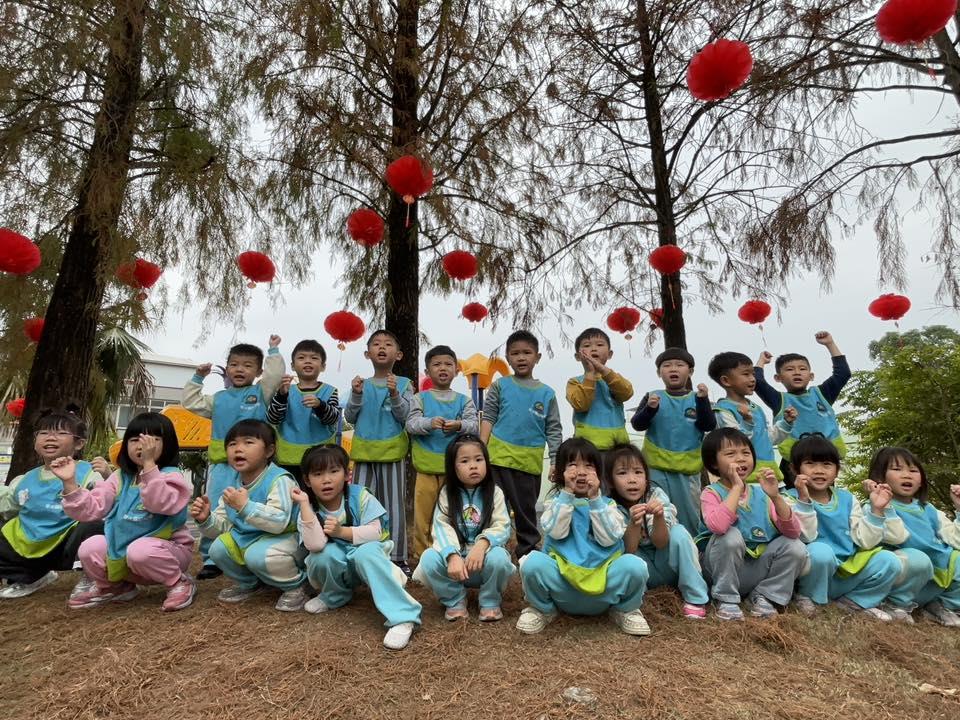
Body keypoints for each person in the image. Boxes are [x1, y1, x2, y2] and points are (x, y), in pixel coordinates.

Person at [58, 412, 196, 611]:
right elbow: (92, 508)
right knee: (90, 547)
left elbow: (159, 503)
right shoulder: (120, 477)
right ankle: (114, 587)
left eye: (152, 440)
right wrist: (70, 483)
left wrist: (149, 466)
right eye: (134, 440)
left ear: (168, 445)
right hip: (125, 553)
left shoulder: (172, 476)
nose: (142, 445)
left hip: (167, 552)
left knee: (139, 551)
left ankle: (179, 582)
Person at [516, 438, 651, 636]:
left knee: (634, 565)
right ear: (560, 472)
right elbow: (556, 532)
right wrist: (567, 494)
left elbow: (608, 539)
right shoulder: (554, 502)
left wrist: (595, 499)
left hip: (604, 586)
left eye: (588, 466)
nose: (581, 472)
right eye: (572, 465)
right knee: (532, 563)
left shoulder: (608, 505)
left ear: (599, 473)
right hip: (563, 585)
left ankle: (625, 610)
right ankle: (543, 610)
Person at [294, 444, 421, 650]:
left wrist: (341, 532)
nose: (326, 480)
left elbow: (376, 532)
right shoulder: (308, 508)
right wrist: (303, 504)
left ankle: (403, 616)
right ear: (307, 480)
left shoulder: (360, 496)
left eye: (334, 471)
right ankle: (335, 595)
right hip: (341, 563)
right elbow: (315, 545)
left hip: (370, 559)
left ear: (347, 474)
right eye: (317, 474)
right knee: (321, 556)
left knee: (366, 552)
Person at [183, 336, 285, 578]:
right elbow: (190, 402)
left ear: (258, 372)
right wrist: (198, 378)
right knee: (215, 505)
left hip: (256, 467)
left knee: (253, 505)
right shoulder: (218, 398)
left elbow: (274, 376)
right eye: (235, 364)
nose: (240, 369)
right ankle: (211, 557)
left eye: (248, 365)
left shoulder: (261, 392)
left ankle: (251, 548)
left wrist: (273, 351)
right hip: (222, 464)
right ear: (227, 368)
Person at [189, 420, 308, 611]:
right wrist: (206, 519)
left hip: (285, 538)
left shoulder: (279, 479)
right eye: (232, 444)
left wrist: (245, 506)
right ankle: (251, 583)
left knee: (256, 555)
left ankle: (296, 585)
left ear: (269, 451)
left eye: (248, 442)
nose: (238, 449)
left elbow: (279, 522)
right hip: (250, 539)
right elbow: (224, 526)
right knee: (218, 548)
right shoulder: (233, 484)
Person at [784, 435, 903, 621]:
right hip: (813, 572)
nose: (819, 470)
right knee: (821, 551)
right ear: (794, 469)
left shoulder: (847, 498)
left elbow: (865, 542)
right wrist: (804, 500)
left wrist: (877, 510)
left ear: (837, 470)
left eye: (827, 464)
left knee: (889, 560)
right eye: (810, 463)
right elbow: (805, 536)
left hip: (846, 569)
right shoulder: (788, 498)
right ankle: (808, 596)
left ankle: (854, 602)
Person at [699, 428, 807, 621]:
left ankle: (765, 595)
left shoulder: (762, 493)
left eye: (746, 453)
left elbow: (793, 532)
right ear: (714, 462)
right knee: (730, 536)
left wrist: (775, 496)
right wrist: (737, 487)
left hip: (755, 569)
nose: (740, 458)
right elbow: (718, 527)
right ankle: (726, 599)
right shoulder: (711, 493)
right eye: (731, 454)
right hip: (720, 571)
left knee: (795, 546)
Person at [0, 407, 107, 599]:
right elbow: (7, 508)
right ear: (35, 442)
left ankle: (93, 578)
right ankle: (31, 577)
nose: (50, 437)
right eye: (44, 433)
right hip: (28, 544)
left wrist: (108, 476)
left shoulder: (89, 474)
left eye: (60, 433)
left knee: (95, 523)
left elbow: (104, 504)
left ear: (79, 443)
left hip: (66, 547)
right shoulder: (24, 480)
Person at [413, 434, 515, 622]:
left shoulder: (495, 492)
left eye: (478, 459)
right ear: (453, 467)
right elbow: (441, 526)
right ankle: (455, 600)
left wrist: (482, 545)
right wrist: (452, 555)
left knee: (500, 558)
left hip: (483, 562)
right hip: (455, 568)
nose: (473, 466)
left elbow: (502, 525)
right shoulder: (447, 493)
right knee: (428, 558)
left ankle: (490, 600)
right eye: (465, 461)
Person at [480, 330, 562, 560]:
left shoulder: (547, 394)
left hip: (529, 463)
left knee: (526, 511)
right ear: (508, 357)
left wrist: (555, 460)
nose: (521, 357)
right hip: (497, 459)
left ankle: (528, 553)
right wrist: (481, 449)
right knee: (494, 507)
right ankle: (493, 549)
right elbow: (488, 416)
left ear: (538, 357)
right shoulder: (500, 385)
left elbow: (554, 429)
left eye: (527, 352)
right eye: (515, 353)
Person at [605, 443, 709, 620]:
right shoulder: (610, 507)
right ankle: (637, 598)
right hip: (642, 569)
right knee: (620, 553)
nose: (632, 479)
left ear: (647, 477)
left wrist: (659, 517)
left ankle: (696, 597)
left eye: (638, 472)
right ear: (610, 481)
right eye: (622, 473)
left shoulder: (656, 495)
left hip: (666, 563)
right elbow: (629, 551)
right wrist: (634, 524)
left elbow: (661, 542)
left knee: (679, 533)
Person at [865, 447, 960, 627]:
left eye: (913, 471)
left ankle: (941, 606)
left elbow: (955, 540)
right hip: (902, 579)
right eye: (897, 469)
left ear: (922, 480)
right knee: (918, 560)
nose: (907, 475)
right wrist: (885, 506)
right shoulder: (875, 507)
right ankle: (894, 604)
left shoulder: (928, 509)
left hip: (934, 579)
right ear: (880, 477)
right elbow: (896, 537)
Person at [344, 329, 414, 574]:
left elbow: (405, 416)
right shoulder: (361, 384)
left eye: (388, 344)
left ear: (399, 355)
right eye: (376, 344)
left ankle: (397, 558)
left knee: (393, 506)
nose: (381, 347)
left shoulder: (404, 384)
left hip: (392, 452)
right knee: (360, 504)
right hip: (363, 453)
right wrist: (355, 394)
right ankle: (359, 554)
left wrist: (394, 394)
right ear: (367, 354)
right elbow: (350, 417)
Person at [630, 347, 716, 534]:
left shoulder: (696, 398)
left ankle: (691, 546)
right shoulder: (653, 396)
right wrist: (650, 409)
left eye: (679, 365)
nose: (673, 369)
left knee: (689, 515)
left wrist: (703, 400)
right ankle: (657, 546)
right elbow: (637, 424)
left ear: (690, 371)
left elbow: (708, 424)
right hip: (656, 467)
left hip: (687, 469)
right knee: (655, 511)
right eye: (667, 365)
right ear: (659, 372)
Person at [406, 345, 478, 563]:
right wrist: (429, 423)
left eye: (448, 364)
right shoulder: (419, 398)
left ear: (456, 370)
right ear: (427, 371)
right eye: (436, 364)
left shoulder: (464, 400)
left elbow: (474, 426)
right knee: (424, 515)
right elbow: (410, 424)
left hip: (455, 470)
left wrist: (459, 425)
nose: (443, 368)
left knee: (454, 513)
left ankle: (454, 552)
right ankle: (422, 556)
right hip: (426, 468)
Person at [753, 331, 850, 483]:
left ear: (811, 376)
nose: (797, 372)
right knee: (793, 496)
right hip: (794, 463)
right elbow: (758, 382)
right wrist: (761, 361)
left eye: (802, 369)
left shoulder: (822, 394)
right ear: (778, 378)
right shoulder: (779, 400)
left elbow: (843, 373)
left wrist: (830, 344)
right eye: (790, 369)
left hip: (826, 459)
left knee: (824, 494)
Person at [708, 351, 796, 483]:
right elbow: (734, 442)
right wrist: (747, 422)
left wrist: (786, 423)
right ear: (726, 380)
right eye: (746, 374)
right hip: (744, 478)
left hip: (769, 473)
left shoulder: (756, 408)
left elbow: (768, 438)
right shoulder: (723, 410)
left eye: (753, 374)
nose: (752, 379)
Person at [267, 339, 340, 485]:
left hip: (320, 459)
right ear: (293, 366)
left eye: (314, 358)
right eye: (301, 357)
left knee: (318, 496)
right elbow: (273, 418)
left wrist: (320, 405)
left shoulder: (330, 391)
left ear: (323, 366)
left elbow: (333, 419)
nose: (307, 361)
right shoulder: (285, 390)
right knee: (290, 496)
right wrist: (281, 395)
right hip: (288, 460)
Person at [566, 327, 633, 450]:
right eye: (587, 345)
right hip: (587, 448)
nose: (593, 349)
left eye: (600, 345)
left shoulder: (613, 379)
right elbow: (581, 405)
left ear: (610, 354)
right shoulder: (575, 382)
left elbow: (627, 393)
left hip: (618, 448)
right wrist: (589, 374)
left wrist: (602, 369)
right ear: (578, 356)